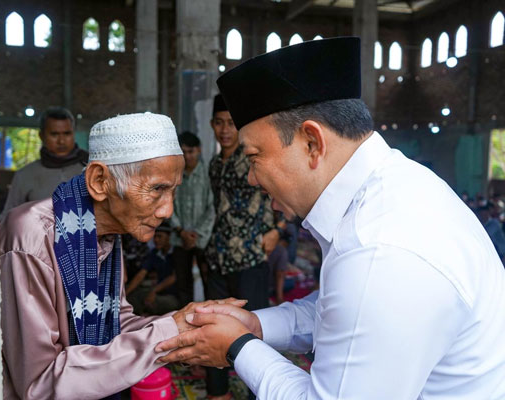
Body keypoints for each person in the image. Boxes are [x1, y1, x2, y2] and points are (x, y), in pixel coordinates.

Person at [156, 37, 505, 399]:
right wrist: (257, 324)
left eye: (255, 156)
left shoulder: (382, 250)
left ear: (312, 143)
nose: (251, 178)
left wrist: (237, 347)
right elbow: (341, 311)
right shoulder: (395, 188)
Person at [0, 112, 246, 399]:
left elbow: (115, 324)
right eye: (157, 189)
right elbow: (39, 382)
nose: (167, 210)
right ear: (100, 181)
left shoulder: (105, 232)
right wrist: (167, 332)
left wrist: (186, 327)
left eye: (173, 192)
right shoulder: (30, 239)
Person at [203, 94, 280, 400]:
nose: (225, 130)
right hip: (218, 257)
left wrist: (279, 229)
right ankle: (218, 392)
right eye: (219, 123)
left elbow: (279, 192)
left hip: (250, 257)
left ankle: (256, 394)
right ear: (212, 125)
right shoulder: (213, 164)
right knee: (212, 325)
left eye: (231, 124)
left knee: (253, 333)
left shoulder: (253, 158)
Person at [0, 107, 88, 218]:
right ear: (41, 136)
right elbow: (9, 218)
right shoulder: (25, 175)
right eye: (54, 134)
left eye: (67, 133)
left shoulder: (90, 168)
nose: (61, 141)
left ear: (73, 134)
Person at [170, 131, 215, 307]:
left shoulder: (207, 174)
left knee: (207, 281)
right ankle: (184, 322)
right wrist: (181, 231)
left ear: (199, 150)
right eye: (183, 152)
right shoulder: (173, 175)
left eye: (191, 151)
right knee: (183, 283)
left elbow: (212, 207)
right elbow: (167, 204)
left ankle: (208, 320)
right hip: (178, 237)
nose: (187, 156)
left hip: (202, 239)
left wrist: (195, 234)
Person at [126, 222, 180, 315]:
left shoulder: (178, 253)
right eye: (155, 237)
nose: (156, 240)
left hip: (174, 296)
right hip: (157, 292)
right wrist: (124, 294)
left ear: (169, 237)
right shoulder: (154, 254)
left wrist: (153, 291)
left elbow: (173, 277)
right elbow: (141, 275)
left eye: (159, 237)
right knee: (132, 297)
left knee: (156, 303)